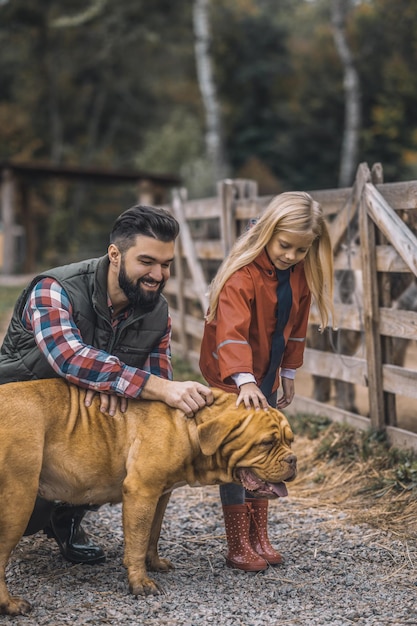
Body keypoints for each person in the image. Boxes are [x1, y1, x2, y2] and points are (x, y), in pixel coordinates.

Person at [0, 204, 213, 565]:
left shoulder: (157, 312)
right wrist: (152, 387)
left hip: (81, 425)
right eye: (147, 261)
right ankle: (37, 515)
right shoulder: (55, 289)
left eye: (166, 264)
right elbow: (69, 358)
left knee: (115, 444)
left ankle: (66, 519)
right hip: (21, 413)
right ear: (115, 254)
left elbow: (157, 393)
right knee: (21, 506)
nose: (157, 274)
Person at [199, 191, 334, 572]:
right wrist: (242, 381)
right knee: (240, 449)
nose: (291, 256)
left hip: (267, 374)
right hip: (232, 376)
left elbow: (297, 329)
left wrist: (288, 372)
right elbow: (231, 332)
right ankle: (238, 542)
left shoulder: (300, 276)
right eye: (285, 245)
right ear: (269, 232)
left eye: (301, 250)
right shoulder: (242, 275)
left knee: (267, 448)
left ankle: (260, 536)